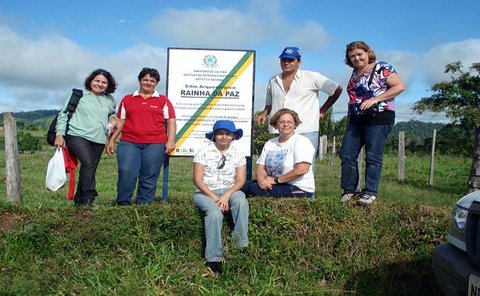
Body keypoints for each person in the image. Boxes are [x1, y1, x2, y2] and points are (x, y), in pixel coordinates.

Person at [340, 41, 405, 205]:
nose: (356, 58)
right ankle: (349, 190)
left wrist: (375, 99)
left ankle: (369, 192)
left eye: (359, 54)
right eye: (352, 56)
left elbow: (399, 86)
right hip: (356, 118)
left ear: (368, 53)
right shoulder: (355, 73)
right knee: (347, 154)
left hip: (379, 116)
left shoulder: (382, 67)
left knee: (373, 155)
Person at [106, 67, 176, 205]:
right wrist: (111, 140)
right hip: (129, 142)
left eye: (152, 80)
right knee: (126, 171)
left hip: (155, 143)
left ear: (156, 83)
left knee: (149, 174)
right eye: (145, 80)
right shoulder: (127, 99)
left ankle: (143, 205)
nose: (148, 83)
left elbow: (171, 121)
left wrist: (171, 141)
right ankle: (123, 204)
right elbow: (120, 121)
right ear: (139, 80)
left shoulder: (163, 100)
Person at [255, 46, 343, 154]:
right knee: (281, 166)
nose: (286, 63)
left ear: (299, 61)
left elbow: (337, 89)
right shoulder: (273, 80)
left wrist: (323, 111)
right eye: (284, 60)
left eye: (290, 60)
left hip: (305, 130)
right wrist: (264, 114)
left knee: (305, 167)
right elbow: (269, 104)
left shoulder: (312, 77)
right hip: (280, 130)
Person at [193, 120, 249, 278]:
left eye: (228, 134)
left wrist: (226, 195)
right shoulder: (203, 152)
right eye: (220, 133)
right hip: (205, 192)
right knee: (215, 213)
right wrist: (215, 198)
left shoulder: (238, 154)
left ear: (233, 136)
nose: (224, 137)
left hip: (230, 190)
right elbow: (197, 180)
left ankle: (240, 246)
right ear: (214, 135)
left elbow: (240, 180)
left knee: (241, 201)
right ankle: (213, 259)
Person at [54, 69, 118, 207]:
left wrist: (113, 119)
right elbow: (64, 114)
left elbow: (112, 113)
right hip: (77, 134)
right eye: (97, 81)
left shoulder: (110, 100)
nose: (100, 84)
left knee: (90, 168)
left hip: (99, 138)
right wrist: (59, 135)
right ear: (90, 81)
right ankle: (89, 197)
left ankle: (80, 201)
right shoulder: (78, 95)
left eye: (104, 82)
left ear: (108, 85)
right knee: (88, 163)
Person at [249, 108, 315, 198]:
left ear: (295, 124)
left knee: (253, 189)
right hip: (278, 184)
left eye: (289, 122)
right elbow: (261, 167)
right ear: (276, 124)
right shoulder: (270, 143)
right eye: (282, 122)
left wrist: (276, 180)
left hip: (299, 187)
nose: (286, 124)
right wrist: (261, 179)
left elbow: (302, 169)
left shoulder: (301, 141)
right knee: (246, 185)